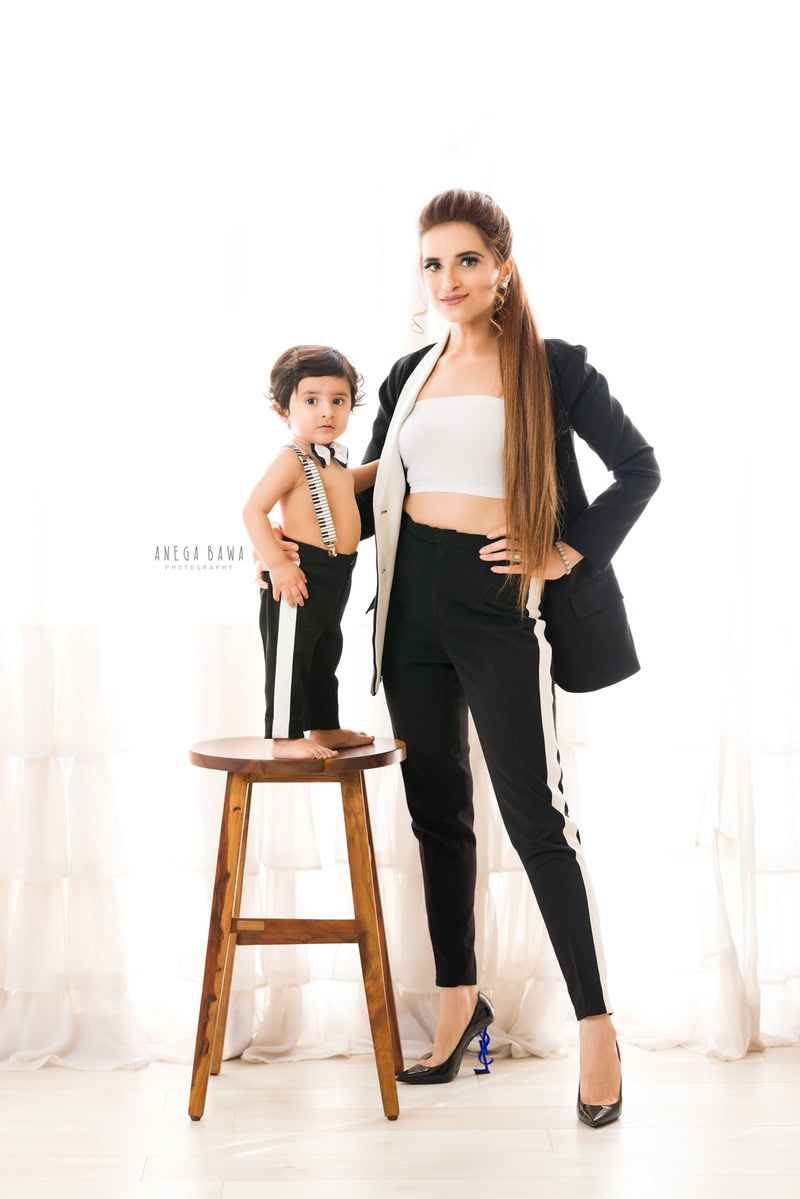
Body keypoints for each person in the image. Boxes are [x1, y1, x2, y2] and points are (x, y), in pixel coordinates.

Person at [258, 189, 661, 1127]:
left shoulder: (554, 369)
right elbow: (376, 480)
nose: (448, 280)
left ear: (502, 267)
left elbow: (640, 466)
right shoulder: (406, 373)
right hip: (408, 605)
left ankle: (597, 1026)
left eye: (467, 261)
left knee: (536, 817)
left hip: (494, 603)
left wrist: (563, 549)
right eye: (432, 264)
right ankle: (456, 1007)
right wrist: (271, 525)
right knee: (438, 812)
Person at [243, 344, 380, 761]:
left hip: (337, 574)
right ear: (284, 411)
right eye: (311, 400)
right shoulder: (292, 458)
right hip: (299, 574)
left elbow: (353, 484)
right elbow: (253, 510)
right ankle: (284, 737)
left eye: (338, 401)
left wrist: (390, 462)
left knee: (325, 652)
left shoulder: (336, 463)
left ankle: (324, 725)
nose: (327, 412)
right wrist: (278, 564)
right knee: (291, 654)